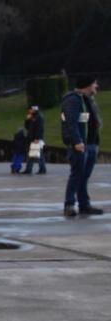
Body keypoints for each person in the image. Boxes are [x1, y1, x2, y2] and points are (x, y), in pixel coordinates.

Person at [61, 76, 102, 217]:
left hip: (91, 144)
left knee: (84, 177)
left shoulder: (87, 99)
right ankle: (69, 204)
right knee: (76, 175)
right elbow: (71, 122)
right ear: (87, 85)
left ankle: (84, 205)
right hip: (80, 145)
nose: (96, 86)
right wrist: (77, 141)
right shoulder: (73, 100)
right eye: (94, 83)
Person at [23, 105, 46, 175]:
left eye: (30, 110)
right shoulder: (32, 117)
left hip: (36, 139)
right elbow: (27, 127)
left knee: (39, 154)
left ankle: (42, 169)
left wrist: (37, 138)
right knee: (31, 155)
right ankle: (28, 169)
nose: (29, 111)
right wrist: (27, 120)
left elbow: (40, 128)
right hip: (31, 138)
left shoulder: (39, 117)